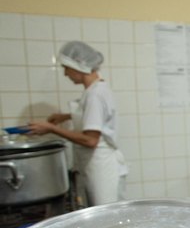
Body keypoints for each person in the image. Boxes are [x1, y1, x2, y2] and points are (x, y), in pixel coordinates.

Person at [28, 41, 128, 206]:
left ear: (79, 66)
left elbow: (90, 140)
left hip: (102, 169)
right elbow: (97, 118)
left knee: (106, 220)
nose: (66, 74)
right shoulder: (97, 90)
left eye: (66, 68)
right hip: (98, 166)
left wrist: (51, 128)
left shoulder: (94, 95)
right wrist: (66, 116)